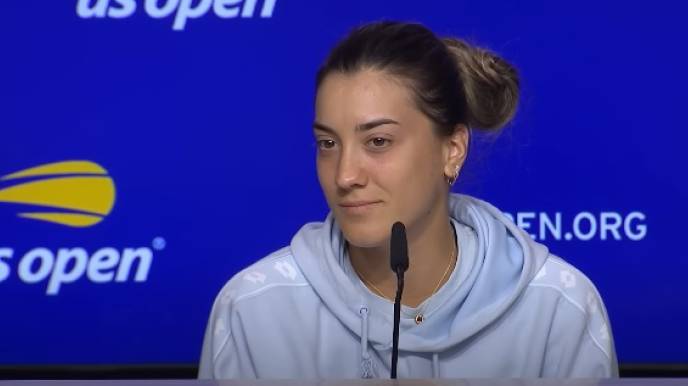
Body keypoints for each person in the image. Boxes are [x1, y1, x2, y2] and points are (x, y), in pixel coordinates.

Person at [198, 21, 618, 379]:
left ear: (452, 149)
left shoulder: (557, 309)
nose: (344, 176)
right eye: (327, 143)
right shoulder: (253, 311)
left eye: (378, 141)